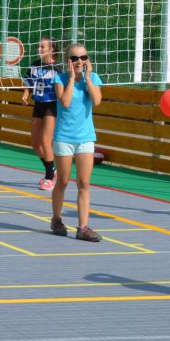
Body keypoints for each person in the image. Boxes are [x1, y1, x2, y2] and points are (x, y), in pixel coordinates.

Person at [50, 43, 104, 242]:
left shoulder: (93, 78)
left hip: (85, 138)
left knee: (84, 182)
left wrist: (87, 78)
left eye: (83, 57)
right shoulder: (60, 79)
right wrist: (72, 78)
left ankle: (83, 227)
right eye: (74, 58)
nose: (79, 61)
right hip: (64, 137)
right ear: (68, 61)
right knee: (63, 181)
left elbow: (97, 101)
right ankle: (56, 219)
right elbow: (65, 102)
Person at [22, 37, 60, 190]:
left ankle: (49, 177)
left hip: (52, 105)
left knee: (46, 140)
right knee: (35, 144)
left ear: (51, 49)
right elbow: (29, 83)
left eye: (42, 46)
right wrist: (25, 94)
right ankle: (52, 169)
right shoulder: (35, 65)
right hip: (38, 104)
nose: (39, 49)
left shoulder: (58, 69)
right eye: (39, 46)